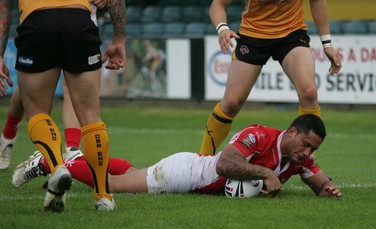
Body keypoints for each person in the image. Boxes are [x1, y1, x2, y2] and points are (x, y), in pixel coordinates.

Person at [14, 114, 342, 198]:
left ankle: (63, 160)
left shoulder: (298, 158)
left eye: (313, 150)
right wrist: (264, 173)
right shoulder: (260, 135)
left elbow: (319, 180)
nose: (308, 153)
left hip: (185, 169)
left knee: (130, 171)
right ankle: (49, 162)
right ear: (293, 132)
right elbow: (225, 163)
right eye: (307, 145)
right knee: (111, 185)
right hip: (184, 174)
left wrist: (327, 189)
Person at [0, 0, 126, 212]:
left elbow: (4, 6)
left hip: (37, 22)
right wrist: (119, 39)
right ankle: (103, 196)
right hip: (78, 21)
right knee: (91, 116)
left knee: (38, 111)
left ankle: (57, 167)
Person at [199, 0, 343, 155]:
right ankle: (202, 160)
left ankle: (307, 163)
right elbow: (218, 4)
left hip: (291, 35)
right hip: (253, 37)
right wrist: (222, 29)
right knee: (231, 103)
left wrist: (327, 43)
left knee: (309, 93)